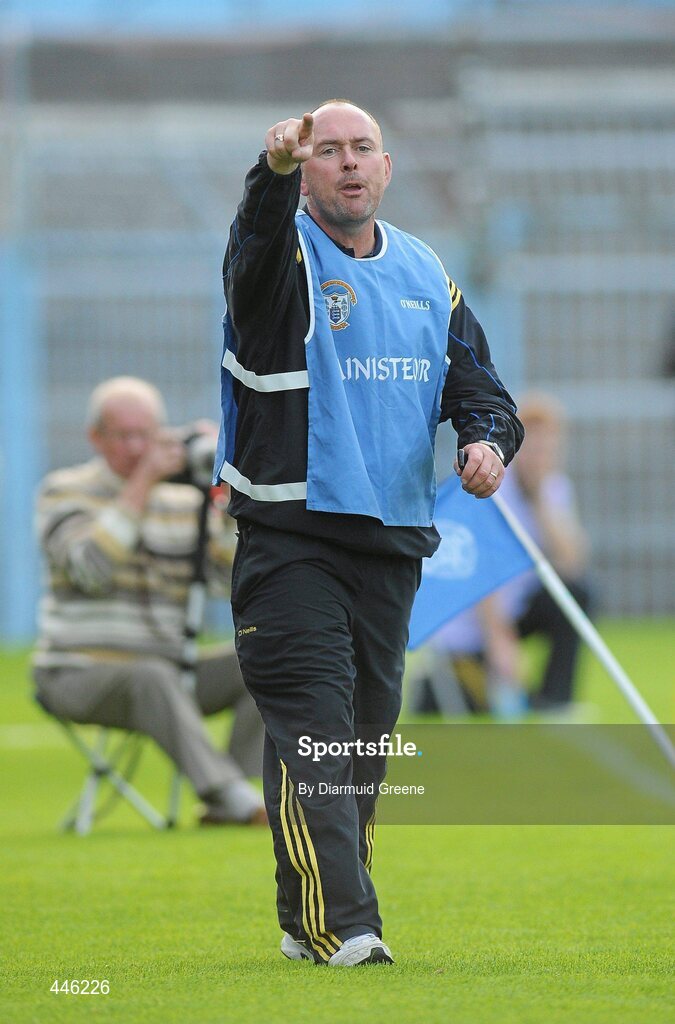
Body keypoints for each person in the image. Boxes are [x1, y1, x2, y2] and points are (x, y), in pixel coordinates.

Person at [214, 101, 524, 964]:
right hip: (288, 535)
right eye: (327, 151)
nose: (347, 163)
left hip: (391, 543)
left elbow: (482, 393)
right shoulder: (275, 260)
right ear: (305, 170)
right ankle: (347, 926)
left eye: (363, 150)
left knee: (357, 741)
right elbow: (253, 238)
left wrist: (485, 444)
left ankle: (303, 917)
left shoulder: (429, 272)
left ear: (385, 169)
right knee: (314, 726)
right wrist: (268, 172)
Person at [33, 376, 266, 826]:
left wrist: (226, 499)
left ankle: (237, 793)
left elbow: (229, 580)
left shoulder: (183, 501)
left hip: (169, 670)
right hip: (75, 672)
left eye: (148, 434)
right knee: (150, 676)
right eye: (125, 436)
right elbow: (91, 569)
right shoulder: (64, 491)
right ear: (95, 437)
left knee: (262, 657)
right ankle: (229, 794)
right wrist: (142, 483)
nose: (139, 448)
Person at [419, 392, 592, 715]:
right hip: (477, 615)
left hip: (519, 605)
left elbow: (572, 562)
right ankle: (445, 680)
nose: (540, 456)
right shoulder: (491, 487)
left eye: (548, 448)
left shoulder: (553, 488)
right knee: (470, 701)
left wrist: (541, 500)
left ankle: (556, 700)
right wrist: (500, 640)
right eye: (534, 447)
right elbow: (481, 570)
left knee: (578, 593)